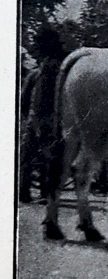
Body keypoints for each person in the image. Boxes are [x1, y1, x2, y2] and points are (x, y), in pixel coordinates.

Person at [19, 25, 68, 203]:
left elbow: (26, 99)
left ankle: (26, 191)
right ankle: (43, 192)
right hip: (48, 119)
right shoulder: (57, 70)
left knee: (29, 155)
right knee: (48, 156)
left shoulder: (40, 72)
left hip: (40, 118)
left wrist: (29, 116)